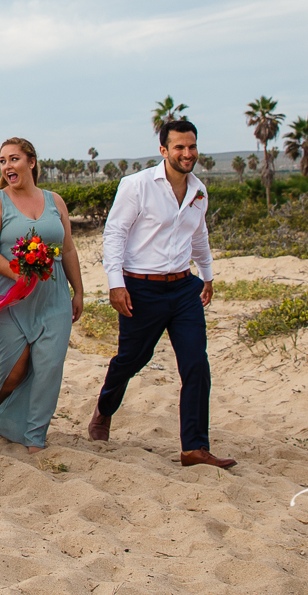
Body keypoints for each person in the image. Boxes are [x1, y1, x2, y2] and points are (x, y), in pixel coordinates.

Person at [89, 118, 235, 469]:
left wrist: (208, 275)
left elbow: (198, 235)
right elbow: (115, 234)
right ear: (163, 150)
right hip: (141, 288)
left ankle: (194, 447)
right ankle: (104, 408)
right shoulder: (137, 186)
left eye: (192, 146)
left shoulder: (198, 190)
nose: (188, 153)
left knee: (196, 363)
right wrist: (116, 284)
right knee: (132, 359)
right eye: (180, 147)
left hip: (184, 288)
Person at [0, 136, 83, 452]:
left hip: (53, 294)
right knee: (14, 369)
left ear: (31, 161)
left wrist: (78, 291)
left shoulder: (55, 201)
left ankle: (34, 437)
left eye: (13, 158)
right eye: (2, 161)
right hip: (9, 296)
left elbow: (67, 248)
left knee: (49, 367)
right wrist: (18, 274)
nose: (7, 166)